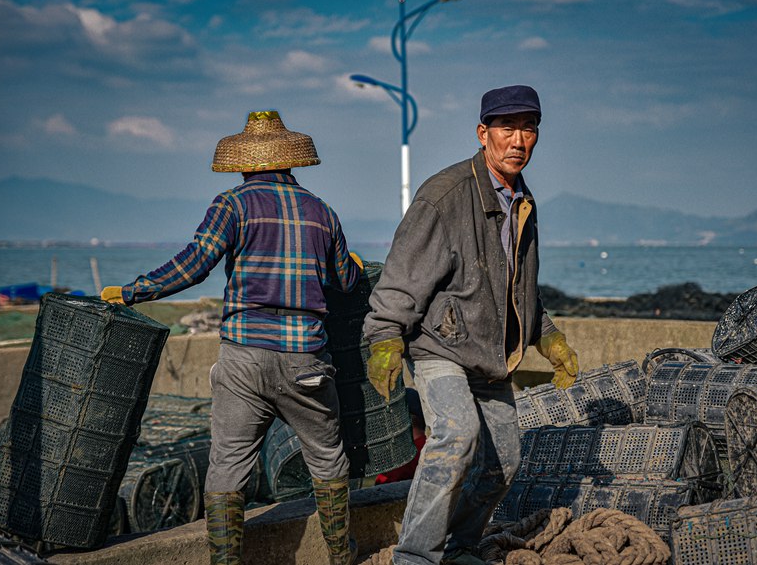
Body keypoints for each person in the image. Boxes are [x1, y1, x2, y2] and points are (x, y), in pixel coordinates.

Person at [101, 110, 362, 565]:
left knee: (228, 465)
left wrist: (132, 291)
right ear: (290, 163)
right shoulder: (322, 212)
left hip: (243, 359)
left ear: (244, 163)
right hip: (306, 359)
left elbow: (193, 264)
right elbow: (345, 281)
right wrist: (354, 264)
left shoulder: (232, 204)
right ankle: (343, 556)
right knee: (327, 459)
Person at [362, 85, 579, 565]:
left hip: (494, 354)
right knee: (456, 436)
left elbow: (516, 288)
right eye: (507, 129)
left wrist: (549, 336)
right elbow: (401, 277)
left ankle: (460, 549)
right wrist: (384, 339)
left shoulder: (523, 203)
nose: (518, 140)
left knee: (504, 462)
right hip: (441, 346)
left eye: (528, 129)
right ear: (484, 134)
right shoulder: (444, 196)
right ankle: (415, 558)